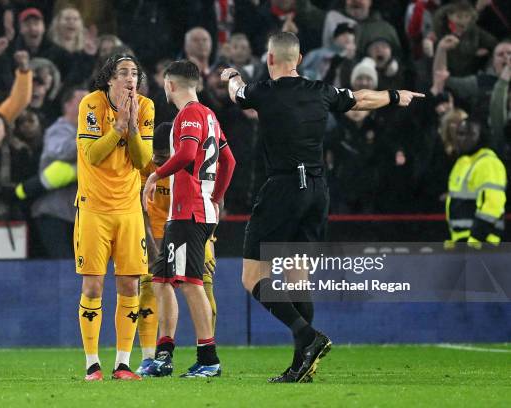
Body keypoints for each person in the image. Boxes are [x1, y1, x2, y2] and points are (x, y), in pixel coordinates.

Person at [221, 32, 424, 383]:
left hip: (283, 188)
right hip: (316, 190)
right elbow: (360, 98)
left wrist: (231, 75)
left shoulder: (262, 92)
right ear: (299, 59)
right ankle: (303, 366)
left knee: (252, 277)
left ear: (270, 60)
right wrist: (395, 95)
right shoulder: (322, 91)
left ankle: (306, 335)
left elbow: (236, 93)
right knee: (298, 276)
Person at [141, 60, 235, 378]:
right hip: (191, 209)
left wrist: (155, 176)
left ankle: (208, 359)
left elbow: (186, 154)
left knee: (191, 284)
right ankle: (164, 355)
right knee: (163, 280)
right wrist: (217, 197)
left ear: (170, 85)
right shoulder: (209, 115)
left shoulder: (190, 114)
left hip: (189, 211)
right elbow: (229, 160)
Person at [74, 54, 154, 381]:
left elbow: (142, 160)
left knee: (130, 283)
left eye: (135, 72)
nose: (130, 78)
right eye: (123, 73)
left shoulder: (146, 106)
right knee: (93, 286)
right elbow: (92, 155)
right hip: (94, 208)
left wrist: (132, 128)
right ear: (110, 79)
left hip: (129, 210)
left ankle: (122, 363)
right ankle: (92, 364)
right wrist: (118, 125)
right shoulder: (91, 105)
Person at [135, 122, 219, 375]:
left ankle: (206, 356)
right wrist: (151, 244)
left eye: (164, 158)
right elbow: (140, 206)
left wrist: (207, 242)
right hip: (157, 233)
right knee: (152, 285)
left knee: (201, 283)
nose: (159, 164)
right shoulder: (145, 167)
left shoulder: (194, 163)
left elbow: (213, 201)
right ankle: (151, 358)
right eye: (156, 157)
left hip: (192, 228)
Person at [31, 87, 88, 258]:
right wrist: (88, 137)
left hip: (76, 214)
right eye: (83, 101)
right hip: (54, 213)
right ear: (67, 105)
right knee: (62, 265)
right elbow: (61, 152)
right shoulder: (58, 130)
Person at [446, 119, 506, 247]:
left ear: (480, 136)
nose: (463, 139)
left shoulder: (488, 162)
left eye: (470, 134)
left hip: (482, 242)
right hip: (463, 240)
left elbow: (492, 206)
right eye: (460, 134)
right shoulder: (462, 162)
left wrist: (475, 240)